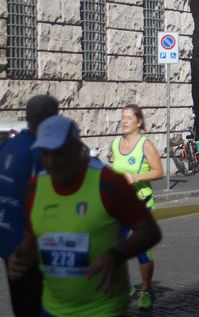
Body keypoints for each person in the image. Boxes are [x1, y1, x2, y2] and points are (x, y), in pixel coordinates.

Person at [8, 115, 162, 316]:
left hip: (101, 309)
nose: (52, 161)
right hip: (52, 308)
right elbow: (31, 240)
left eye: (59, 152)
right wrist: (18, 257)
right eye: (46, 153)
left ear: (75, 148)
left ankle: (145, 290)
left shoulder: (108, 183)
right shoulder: (35, 187)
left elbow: (150, 232)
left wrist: (114, 256)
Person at [0, 95, 59, 316]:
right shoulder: (40, 153)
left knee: (22, 306)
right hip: (32, 250)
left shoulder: (7, 147)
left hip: (8, 246)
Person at [110, 104, 164, 309]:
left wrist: (136, 176)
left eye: (128, 117)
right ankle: (126, 286)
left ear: (139, 122)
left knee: (141, 250)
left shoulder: (145, 145)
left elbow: (159, 172)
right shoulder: (116, 144)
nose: (123, 121)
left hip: (142, 205)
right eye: (122, 117)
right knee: (115, 246)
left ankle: (146, 290)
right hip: (119, 205)